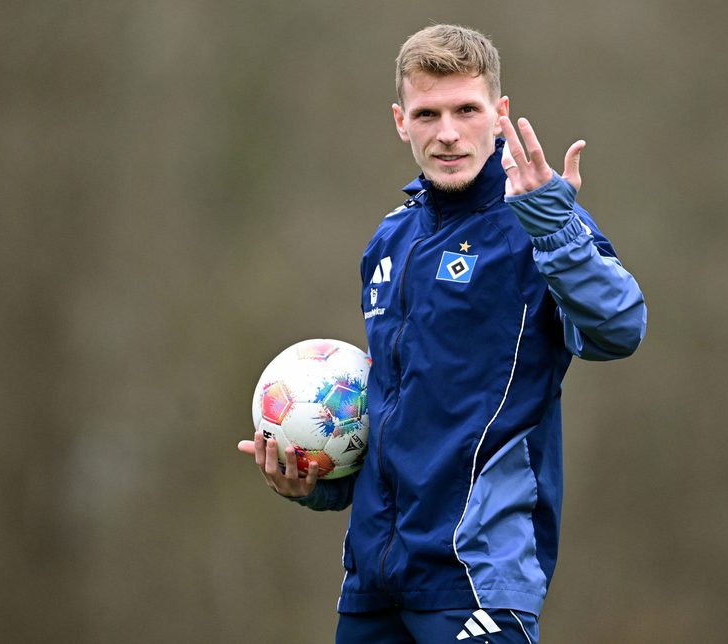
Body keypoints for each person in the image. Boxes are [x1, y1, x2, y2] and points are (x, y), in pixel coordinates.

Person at [238, 24, 646, 643]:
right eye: (428, 114)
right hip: (372, 583)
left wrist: (556, 226)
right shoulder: (392, 238)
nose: (448, 132)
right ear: (401, 121)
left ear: (499, 114)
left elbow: (620, 328)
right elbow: (398, 419)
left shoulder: (537, 222)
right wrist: (318, 482)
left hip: (476, 581)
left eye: (466, 110)